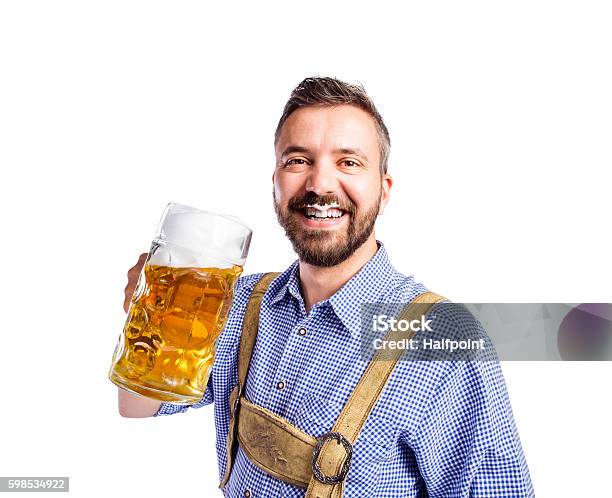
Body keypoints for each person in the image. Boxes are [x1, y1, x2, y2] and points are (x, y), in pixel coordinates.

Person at [118, 77, 534, 497]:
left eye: (349, 162)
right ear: (275, 182)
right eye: (297, 160)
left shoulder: (442, 338)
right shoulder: (238, 302)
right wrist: (148, 319)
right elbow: (136, 407)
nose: (320, 185)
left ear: (383, 190)